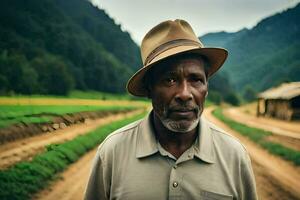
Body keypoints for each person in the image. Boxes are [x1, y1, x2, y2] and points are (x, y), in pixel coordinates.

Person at [84, 19, 258, 200]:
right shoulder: (113, 152)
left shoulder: (234, 155)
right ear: (149, 89)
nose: (184, 94)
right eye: (169, 80)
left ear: (206, 87)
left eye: (195, 79)